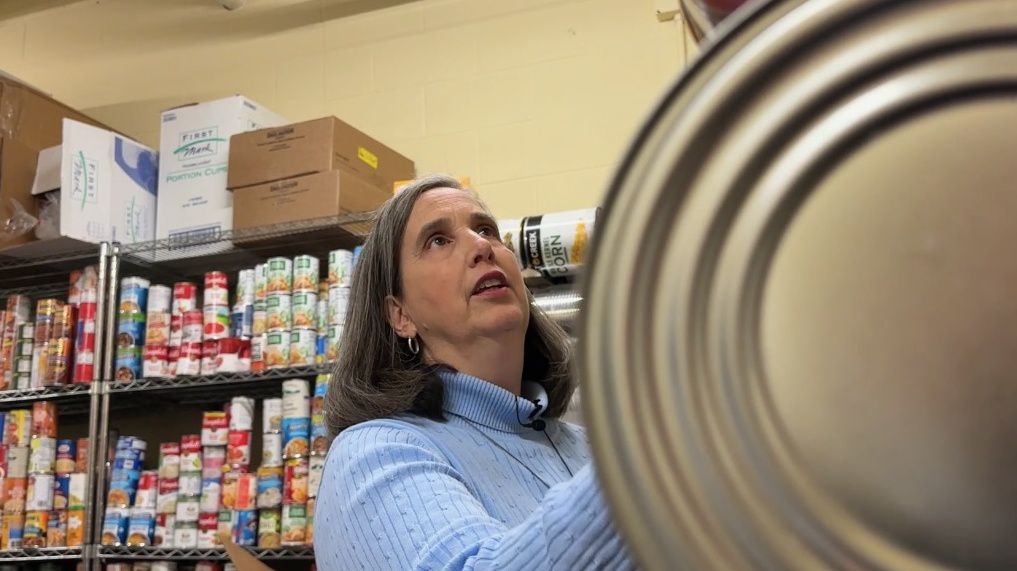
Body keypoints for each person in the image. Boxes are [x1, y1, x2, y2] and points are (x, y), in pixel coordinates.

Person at [314, 174, 634, 570]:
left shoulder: (586, 447)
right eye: (437, 240)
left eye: (486, 230)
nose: (482, 246)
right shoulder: (373, 454)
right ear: (400, 315)